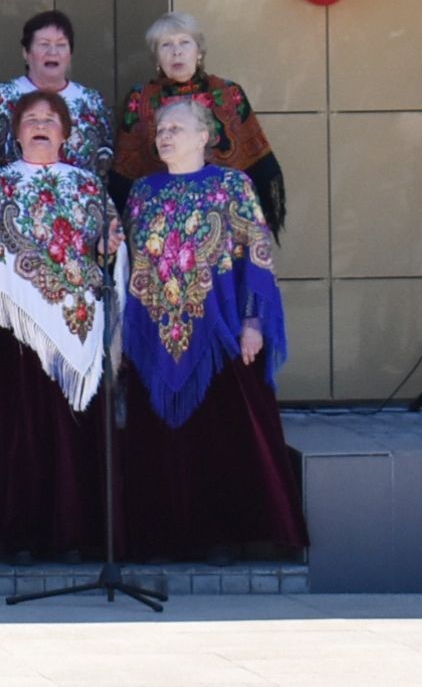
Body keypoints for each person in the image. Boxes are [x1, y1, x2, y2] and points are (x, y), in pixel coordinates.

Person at [120, 99, 307, 563]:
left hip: (220, 337)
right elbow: (131, 266)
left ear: (205, 136)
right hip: (155, 338)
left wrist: (252, 322)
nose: (165, 135)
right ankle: (160, 536)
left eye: (177, 128)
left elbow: (257, 257)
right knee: (159, 445)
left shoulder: (232, 186)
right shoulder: (143, 191)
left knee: (217, 444)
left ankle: (218, 537)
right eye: (160, 128)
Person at [0, 90, 120, 563]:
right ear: (16, 133)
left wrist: (110, 247)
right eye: (31, 119)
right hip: (9, 334)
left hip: (74, 331)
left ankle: (74, 534)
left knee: (71, 433)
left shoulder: (87, 187)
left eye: (50, 119)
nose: (40, 125)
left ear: (65, 132)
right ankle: (19, 536)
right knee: (18, 435)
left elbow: (110, 255)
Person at [111, 10, 286, 235]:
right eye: (166, 45)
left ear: (198, 51)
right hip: (161, 220)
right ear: (156, 57)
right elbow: (126, 172)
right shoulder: (140, 98)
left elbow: (255, 159)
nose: (177, 52)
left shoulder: (228, 93)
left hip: (223, 214)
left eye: (185, 42)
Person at [0, 10, 112, 177]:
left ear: (70, 54)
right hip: (13, 198)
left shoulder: (92, 101)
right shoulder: (0, 96)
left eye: (61, 44)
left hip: (78, 199)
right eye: (44, 44)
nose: (53, 52)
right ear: (26, 53)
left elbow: (105, 161)